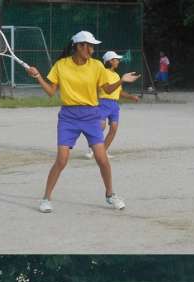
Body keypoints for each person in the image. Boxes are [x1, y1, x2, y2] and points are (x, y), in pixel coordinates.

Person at [25, 30, 140, 213]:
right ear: (78, 46)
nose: (91, 50)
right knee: (62, 160)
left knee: (102, 159)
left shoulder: (96, 66)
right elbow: (51, 92)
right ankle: (46, 198)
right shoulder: (61, 65)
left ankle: (110, 194)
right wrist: (37, 76)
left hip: (91, 116)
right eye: (88, 46)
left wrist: (122, 81)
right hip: (68, 117)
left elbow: (107, 90)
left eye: (92, 47)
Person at [84, 50, 139, 160]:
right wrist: (122, 80)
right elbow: (108, 90)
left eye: (118, 59)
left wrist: (131, 97)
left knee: (114, 128)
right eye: (116, 59)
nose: (118, 61)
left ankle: (103, 151)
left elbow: (119, 92)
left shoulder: (116, 75)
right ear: (110, 61)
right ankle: (92, 149)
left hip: (114, 104)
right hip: (103, 102)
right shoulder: (103, 73)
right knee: (101, 126)